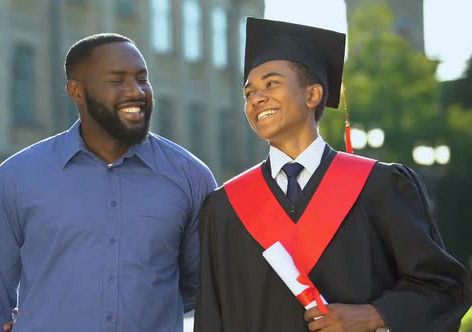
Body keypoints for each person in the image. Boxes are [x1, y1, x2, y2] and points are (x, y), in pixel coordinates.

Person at [194, 17, 472, 332]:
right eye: (248, 93)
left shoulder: (377, 187)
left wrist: (374, 314)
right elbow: (211, 318)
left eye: (271, 84)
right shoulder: (225, 208)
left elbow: (442, 287)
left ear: (313, 95)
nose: (256, 98)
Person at [0, 33, 217, 332]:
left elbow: (201, 286)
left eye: (142, 78)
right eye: (117, 80)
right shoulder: (17, 178)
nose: (136, 91)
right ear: (77, 91)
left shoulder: (190, 177)